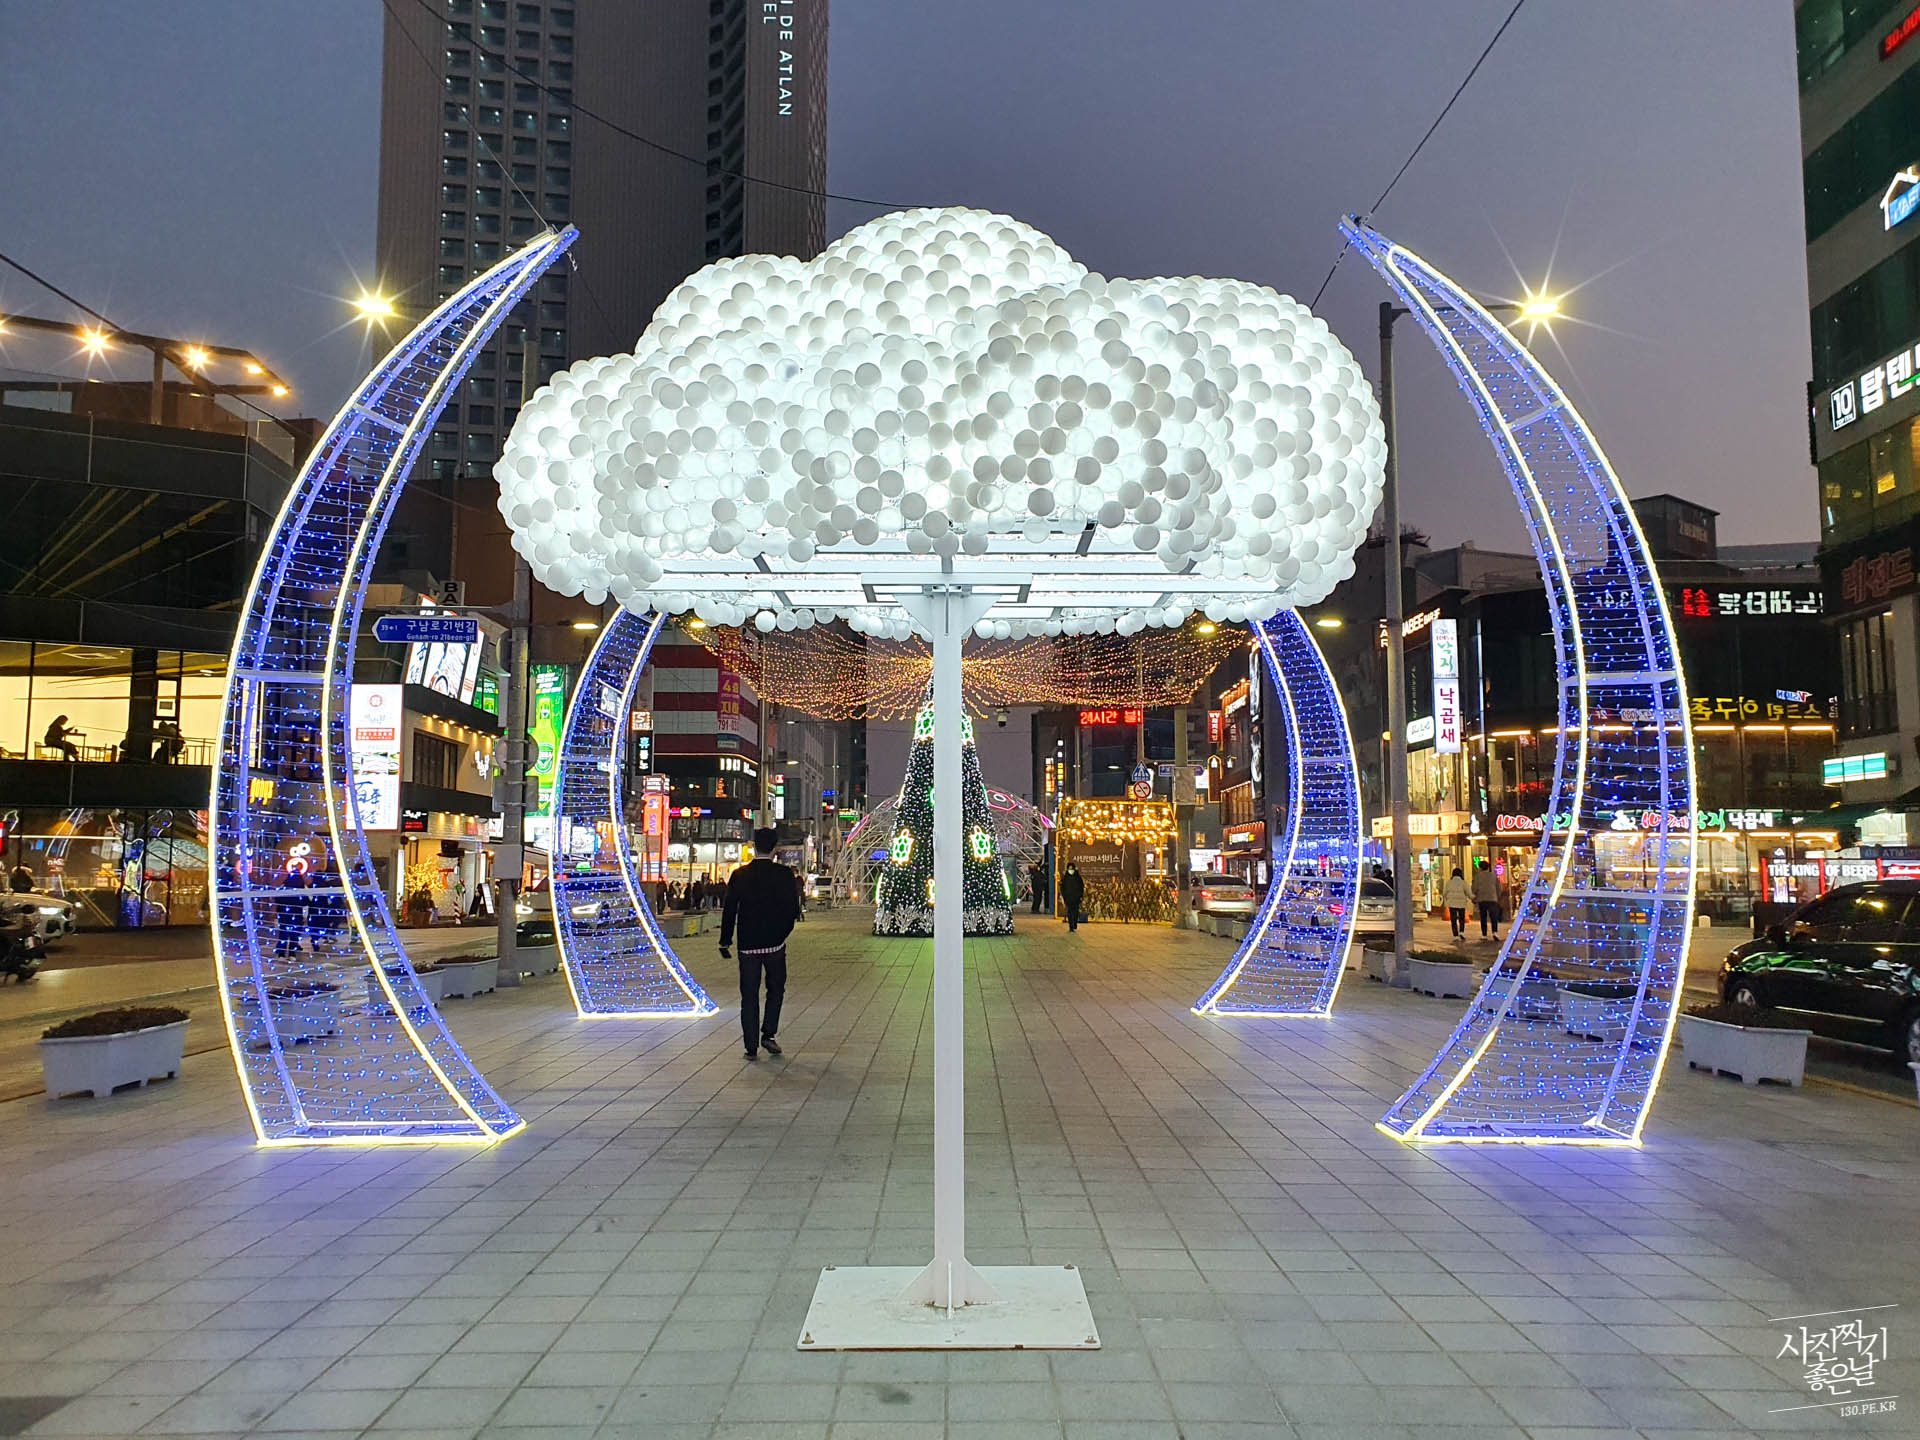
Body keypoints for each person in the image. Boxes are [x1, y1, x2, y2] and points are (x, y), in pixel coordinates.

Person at [719, 828, 801, 1061]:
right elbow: (792, 910)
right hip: (775, 945)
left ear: (754, 847)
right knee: (776, 990)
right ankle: (769, 1033)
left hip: (747, 946)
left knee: (749, 995)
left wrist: (725, 941)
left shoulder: (740, 875)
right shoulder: (784, 875)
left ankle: (751, 1046)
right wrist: (782, 934)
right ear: (775, 848)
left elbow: (729, 910)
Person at [1471, 859, 1501, 941]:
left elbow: (1474, 888)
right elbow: (1499, 887)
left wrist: (1474, 897)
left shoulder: (1477, 876)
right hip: (1492, 898)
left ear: (1480, 868)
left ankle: (1484, 934)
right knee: (1493, 916)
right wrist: (1497, 896)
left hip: (1482, 899)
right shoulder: (1493, 876)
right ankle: (1495, 932)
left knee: (1483, 916)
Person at [1442, 867, 1470, 940]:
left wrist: (1446, 899)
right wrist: (1472, 898)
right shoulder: (1463, 882)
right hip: (1462, 903)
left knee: (1453, 919)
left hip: (1452, 903)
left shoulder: (1449, 882)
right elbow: (1468, 892)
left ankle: (1455, 935)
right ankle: (1461, 932)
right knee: (1462, 918)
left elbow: (1444, 893)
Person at [1059, 861, 1085, 934]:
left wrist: (1080, 896)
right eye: (1069, 869)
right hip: (1068, 899)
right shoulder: (1065, 878)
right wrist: (1064, 896)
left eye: (1072, 869)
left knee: (1075, 912)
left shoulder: (1078, 877)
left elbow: (1081, 887)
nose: (1071, 870)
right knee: (1070, 912)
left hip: (1076, 898)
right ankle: (1071, 926)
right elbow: (1062, 888)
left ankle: (1075, 924)